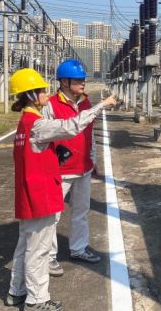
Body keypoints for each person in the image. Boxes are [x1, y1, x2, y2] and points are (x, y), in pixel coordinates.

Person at [5, 68, 116, 311]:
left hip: (30, 192)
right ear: (31, 95)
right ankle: (37, 300)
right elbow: (72, 126)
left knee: (25, 245)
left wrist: (55, 152)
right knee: (39, 250)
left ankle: (17, 291)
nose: (46, 93)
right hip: (41, 194)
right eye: (41, 90)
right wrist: (101, 105)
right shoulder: (36, 124)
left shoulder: (26, 123)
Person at [43, 59, 101, 278]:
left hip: (83, 167)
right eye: (78, 80)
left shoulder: (86, 103)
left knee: (81, 211)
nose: (83, 83)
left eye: (83, 79)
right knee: (52, 215)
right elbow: (43, 134)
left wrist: (93, 159)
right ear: (65, 82)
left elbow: (89, 134)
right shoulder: (51, 105)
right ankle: (49, 257)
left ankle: (79, 248)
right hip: (60, 170)